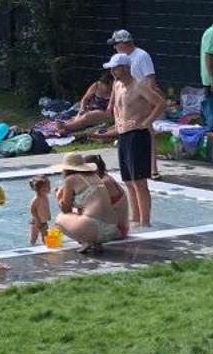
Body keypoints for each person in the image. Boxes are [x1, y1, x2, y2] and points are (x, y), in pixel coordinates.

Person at [108, 51, 165, 229]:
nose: (111, 72)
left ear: (124, 68)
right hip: (124, 134)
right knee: (128, 180)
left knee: (139, 181)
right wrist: (117, 123)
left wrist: (146, 122)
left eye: (115, 69)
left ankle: (145, 221)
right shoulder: (117, 85)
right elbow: (117, 107)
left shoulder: (139, 86)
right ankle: (135, 217)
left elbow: (160, 103)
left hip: (138, 135)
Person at [107, 29, 161, 176]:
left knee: (147, 132)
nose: (114, 47)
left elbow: (150, 78)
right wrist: (112, 101)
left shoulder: (142, 56)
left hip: (142, 97)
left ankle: (152, 168)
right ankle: (132, 167)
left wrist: (150, 102)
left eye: (116, 44)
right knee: (125, 131)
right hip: (126, 97)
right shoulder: (119, 59)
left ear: (124, 43)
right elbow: (116, 82)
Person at [51, 152, 127, 252]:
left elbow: (66, 209)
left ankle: (86, 240)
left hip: (93, 228)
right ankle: (95, 243)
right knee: (82, 215)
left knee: (59, 220)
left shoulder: (70, 179)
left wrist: (59, 197)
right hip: (112, 229)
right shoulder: (96, 177)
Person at [28, 174, 54, 244]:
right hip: (36, 223)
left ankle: (45, 245)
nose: (47, 189)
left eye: (48, 187)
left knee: (46, 236)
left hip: (44, 222)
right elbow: (32, 209)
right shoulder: (37, 199)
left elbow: (47, 207)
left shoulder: (45, 197)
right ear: (37, 190)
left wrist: (49, 214)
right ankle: (32, 246)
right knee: (34, 238)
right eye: (44, 189)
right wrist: (36, 218)